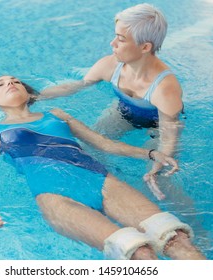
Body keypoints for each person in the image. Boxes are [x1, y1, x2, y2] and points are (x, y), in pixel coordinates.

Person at [0, 75, 206, 260]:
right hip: (57, 198)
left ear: (29, 93)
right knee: (137, 253)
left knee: (175, 237)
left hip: (103, 182)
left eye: (15, 81)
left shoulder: (55, 115)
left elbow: (102, 143)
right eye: (1, 84)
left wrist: (151, 153)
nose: (10, 84)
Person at [39, 3, 183, 200]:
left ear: (145, 47)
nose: (112, 43)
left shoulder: (164, 88)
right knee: (89, 145)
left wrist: (157, 168)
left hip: (158, 125)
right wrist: (36, 96)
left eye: (121, 39)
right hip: (123, 112)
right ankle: (109, 187)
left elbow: (169, 135)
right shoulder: (110, 65)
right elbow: (75, 86)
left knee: (157, 176)